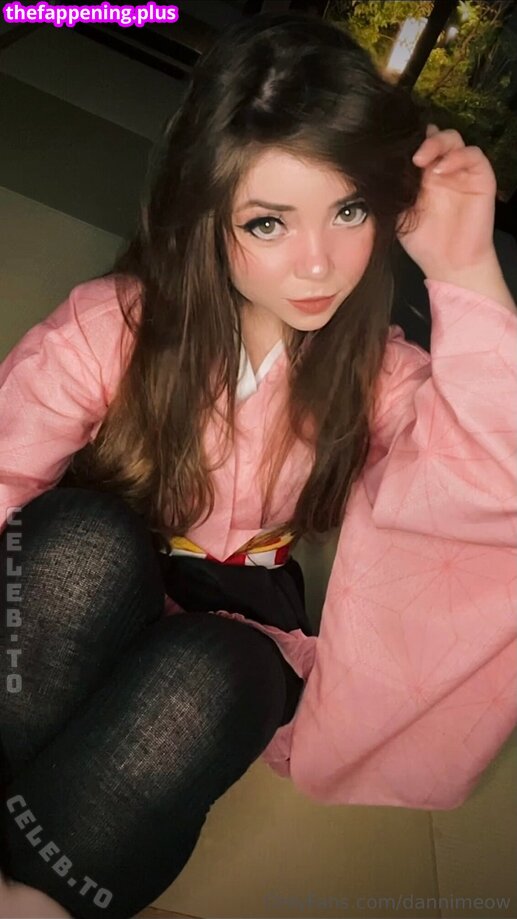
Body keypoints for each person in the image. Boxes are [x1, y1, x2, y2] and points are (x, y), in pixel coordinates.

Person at [1, 11, 516, 919]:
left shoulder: (377, 374)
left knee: (222, 672)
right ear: (206, 212)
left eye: (349, 210)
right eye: (268, 222)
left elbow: (495, 480)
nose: (318, 265)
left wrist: (467, 268)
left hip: (239, 610)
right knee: (81, 543)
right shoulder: (111, 326)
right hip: (101, 564)